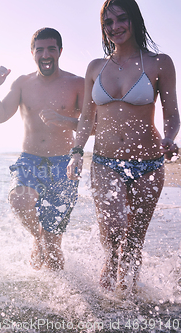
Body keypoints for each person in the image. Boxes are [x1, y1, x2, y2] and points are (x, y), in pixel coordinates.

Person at [67, 0, 179, 295]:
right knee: (113, 234)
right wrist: (77, 153)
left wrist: (170, 138)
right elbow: (86, 118)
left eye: (121, 19)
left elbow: (172, 112)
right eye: (108, 22)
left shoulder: (159, 62)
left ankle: (125, 299)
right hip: (105, 161)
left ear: (134, 21)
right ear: (103, 28)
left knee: (133, 240)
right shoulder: (95, 67)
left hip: (149, 164)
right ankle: (106, 299)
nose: (115, 27)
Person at [0, 28, 84, 271]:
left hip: (64, 164)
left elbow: (93, 126)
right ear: (32, 52)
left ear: (60, 51)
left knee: (52, 252)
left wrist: (65, 121)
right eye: (39, 49)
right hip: (29, 159)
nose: (46, 54)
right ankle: (38, 235)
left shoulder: (76, 84)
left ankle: (58, 302)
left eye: (51, 48)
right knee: (19, 200)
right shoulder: (23, 83)